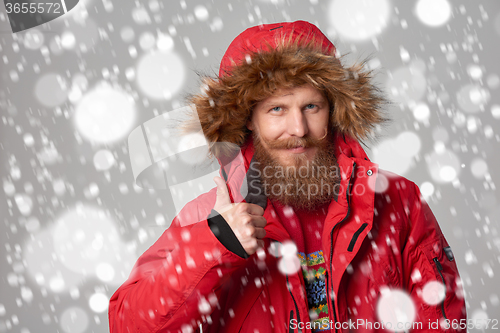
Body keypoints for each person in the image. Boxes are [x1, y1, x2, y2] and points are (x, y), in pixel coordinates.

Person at [109, 20, 466, 332]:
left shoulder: (398, 200)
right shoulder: (210, 216)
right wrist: (214, 244)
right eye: (277, 109)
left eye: (311, 106)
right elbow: (128, 325)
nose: (298, 128)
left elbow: (441, 320)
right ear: (249, 119)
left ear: (333, 110)